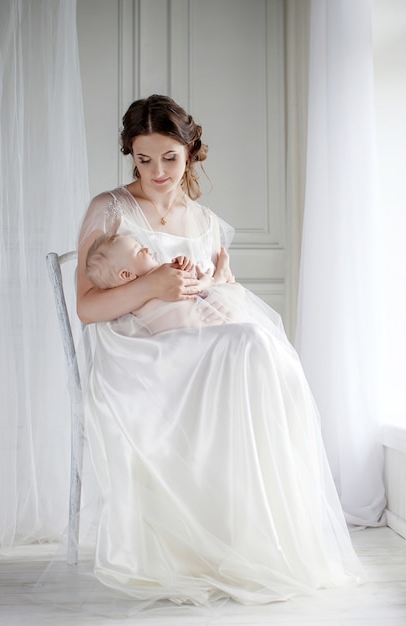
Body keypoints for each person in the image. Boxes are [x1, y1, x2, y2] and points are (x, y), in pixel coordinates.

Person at [77, 94, 362, 609]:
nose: (157, 171)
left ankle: (251, 537)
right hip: (140, 354)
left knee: (266, 352)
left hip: (199, 341)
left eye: (169, 157)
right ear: (130, 155)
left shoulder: (204, 221)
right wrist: (152, 288)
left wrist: (222, 283)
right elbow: (88, 307)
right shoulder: (110, 209)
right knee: (250, 347)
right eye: (143, 159)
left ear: (190, 150)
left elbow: (218, 293)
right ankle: (214, 540)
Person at [84, 232, 244, 334]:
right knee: (226, 296)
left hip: (194, 325)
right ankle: (219, 279)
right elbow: (191, 290)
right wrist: (205, 282)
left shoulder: (145, 288)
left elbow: (185, 287)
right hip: (197, 327)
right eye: (139, 251)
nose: (146, 249)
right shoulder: (148, 288)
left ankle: (219, 280)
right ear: (126, 274)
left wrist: (183, 266)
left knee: (228, 302)